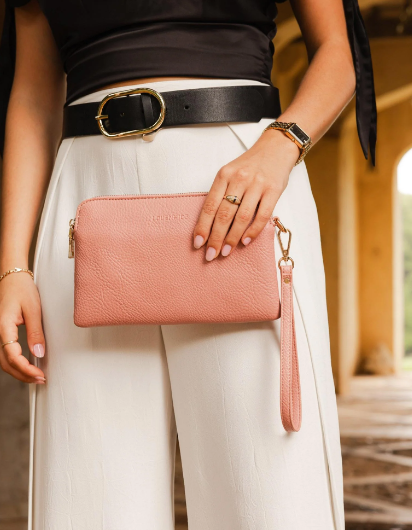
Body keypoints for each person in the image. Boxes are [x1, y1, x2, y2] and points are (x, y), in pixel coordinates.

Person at [0, 0, 376, 529]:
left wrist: (282, 144)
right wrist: (12, 266)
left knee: (267, 496)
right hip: (86, 200)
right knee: (85, 500)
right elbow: (33, 95)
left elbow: (338, 52)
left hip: (241, 187)